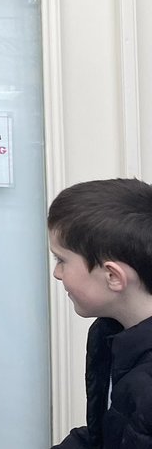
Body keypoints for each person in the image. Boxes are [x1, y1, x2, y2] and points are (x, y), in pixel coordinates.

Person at [48, 178, 152, 449]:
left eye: (61, 260)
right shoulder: (109, 332)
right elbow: (107, 433)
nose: (57, 273)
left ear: (112, 276)